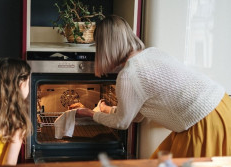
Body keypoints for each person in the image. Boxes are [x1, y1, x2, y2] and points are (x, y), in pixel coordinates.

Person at [74, 15, 231, 158]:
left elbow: (122, 123)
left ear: (106, 47)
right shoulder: (153, 53)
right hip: (222, 107)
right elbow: (136, 115)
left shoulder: (128, 74)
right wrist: (107, 110)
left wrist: (90, 114)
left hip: (203, 124)